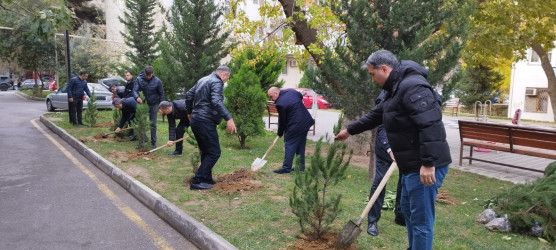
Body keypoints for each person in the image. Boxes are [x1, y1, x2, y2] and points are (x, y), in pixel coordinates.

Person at [335, 50, 451, 250]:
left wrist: (428, 163)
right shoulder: (394, 89)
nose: (372, 80)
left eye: (372, 74)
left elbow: (430, 124)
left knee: (421, 219)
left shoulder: (412, 86)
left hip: (424, 165)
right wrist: (349, 130)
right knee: (407, 210)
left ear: (384, 68)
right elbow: (375, 116)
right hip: (410, 165)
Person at [185, 66, 236, 190]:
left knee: (206, 151)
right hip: (205, 120)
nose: (225, 81)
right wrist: (229, 118)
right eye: (226, 79)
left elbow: (188, 95)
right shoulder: (217, 82)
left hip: (197, 120)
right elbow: (217, 101)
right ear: (224, 75)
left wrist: (189, 112)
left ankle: (206, 178)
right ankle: (197, 181)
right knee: (214, 152)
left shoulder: (203, 80)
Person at [366, 90, 405, 237]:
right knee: (380, 181)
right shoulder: (384, 98)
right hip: (385, 149)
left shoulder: (410, 93)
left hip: (405, 148)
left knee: (404, 181)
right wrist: (390, 150)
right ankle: (372, 221)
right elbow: (381, 129)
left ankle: (400, 216)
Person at [267, 87, 314, 174]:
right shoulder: (291, 91)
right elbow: (300, 96)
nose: (271, 99)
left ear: (276, 93)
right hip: (306, 122)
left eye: (271, 97)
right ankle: (300, 167)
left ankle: (286, 168)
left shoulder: (280, 104)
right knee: (300, 145)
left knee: (289, 143)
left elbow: (282, 120)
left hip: (296, 125)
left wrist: (280, 132)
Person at [133, 65, 165, 149]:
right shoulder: (139, 79)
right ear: (144, 73)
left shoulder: (157, 81)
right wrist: (137, 97)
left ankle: (153, 142)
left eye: (149, 75)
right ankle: (141, 141)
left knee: (153, 124)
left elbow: (161, 94)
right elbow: (135, 90)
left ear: (152, 73)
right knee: (142, 123)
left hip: (153, 104)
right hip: (143, 104)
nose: (147, 77)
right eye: (146, 75)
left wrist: (161, 107)